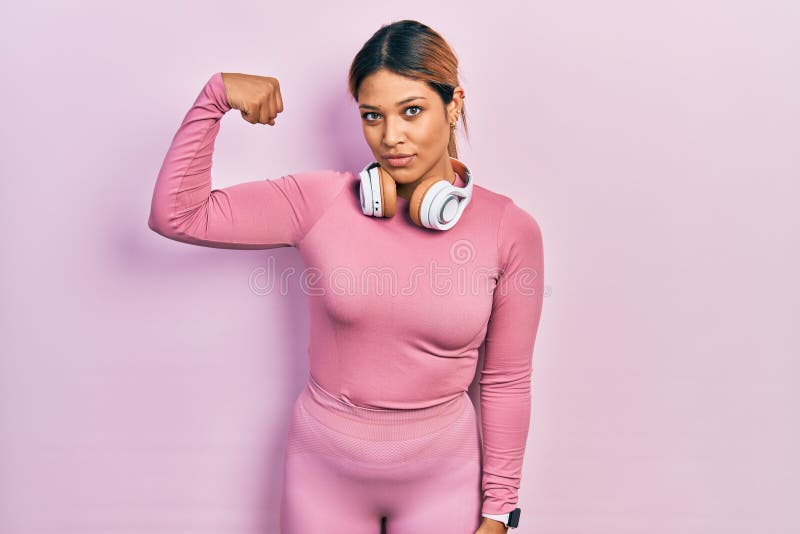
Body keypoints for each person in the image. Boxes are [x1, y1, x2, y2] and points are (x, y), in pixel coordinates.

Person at [148, 19, 544, 534]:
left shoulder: (510, 230)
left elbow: (506, 380)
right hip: (323, 475)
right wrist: (215, 97)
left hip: (443, 479)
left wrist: (499, 510)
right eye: (372, 116)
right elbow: (177, 214)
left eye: (412, 111)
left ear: (454, 104)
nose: (391, 137)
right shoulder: (321, 202)